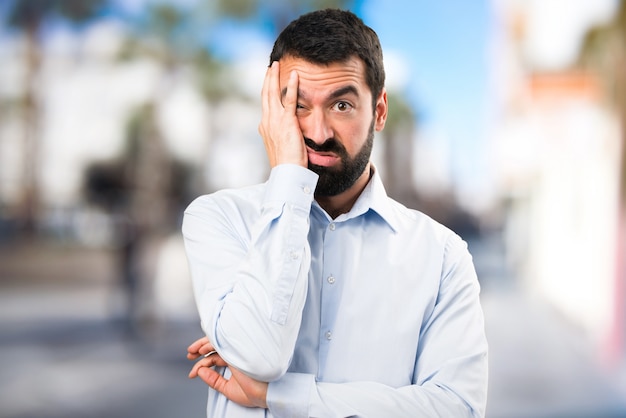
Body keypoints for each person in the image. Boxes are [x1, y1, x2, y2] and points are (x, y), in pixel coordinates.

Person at [183, 8, 488, 417]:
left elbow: (457, 409)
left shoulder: (443, 257)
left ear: (379, 111)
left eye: (341, 105)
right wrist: (289, 177)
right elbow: (261, 357)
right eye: (297, 106)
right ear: (272, 111)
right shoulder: (219, 219)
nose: (318, 132)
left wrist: (276, 396)